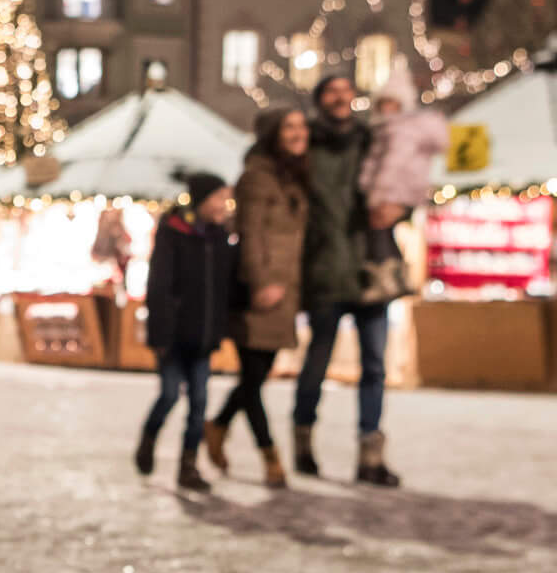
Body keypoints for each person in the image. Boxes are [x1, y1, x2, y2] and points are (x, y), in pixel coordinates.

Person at [293, 72, 399, 487]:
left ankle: (369, 457)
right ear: (320, 100)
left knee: (374, 366)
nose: (340, 98)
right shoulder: (306, 144)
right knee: (316, 363)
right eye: (331, 92)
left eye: (345, 91)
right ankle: (303, 443)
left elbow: (403, 186)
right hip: (325, 268)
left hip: (372, 268)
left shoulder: (373, 141)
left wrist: (399, 212)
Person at [206, 109, 311, 487]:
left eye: (302, 126)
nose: (299, 134)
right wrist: (261, 282)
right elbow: (249, 234)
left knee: (256, 377)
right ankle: (271, 458)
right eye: (290, 127)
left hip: (286, 291)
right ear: (273, 134)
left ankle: (217, 426)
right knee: (252, 379)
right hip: (261, 291)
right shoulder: (256, 178)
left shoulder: (294, 177)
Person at [135, 173, 237, 493]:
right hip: (174, 337)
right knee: (168, 394)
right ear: (202, 200)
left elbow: (227, 288)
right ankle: (149, 436)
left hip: (204, 338)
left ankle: (188, 466)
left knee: (199, 404)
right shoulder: (173, 232)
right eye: (218, 198)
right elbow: (159, 287)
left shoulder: (221, 238)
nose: (223, 205)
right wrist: (161, 336)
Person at [356, 55, 448, 302]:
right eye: (383, 103)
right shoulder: (381, 131)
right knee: (381, 238)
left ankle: (389, 280)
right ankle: (392, 280)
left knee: (379, 238)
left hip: (391, 194)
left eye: (391, 103)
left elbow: (391, 167)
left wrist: (377, 196)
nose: (387, 108)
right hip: (388, 194)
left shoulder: (401, 132)